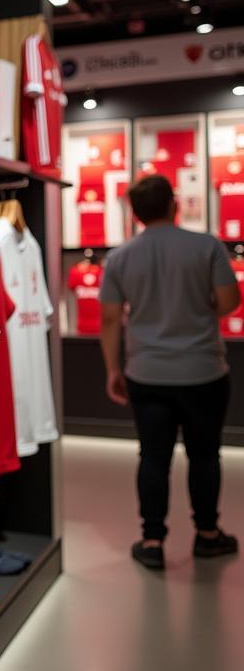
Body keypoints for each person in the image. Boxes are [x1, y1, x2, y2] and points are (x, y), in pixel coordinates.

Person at [99, 174, 240, 570]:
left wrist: (113, 369)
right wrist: (196, 308)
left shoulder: (120, 257)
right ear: (173, 205)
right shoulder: (206, 246)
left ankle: (153, 541)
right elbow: (230, 301)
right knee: (205, 455)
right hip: (205, 371)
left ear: (135, 213)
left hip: (146, 373)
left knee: (153, 457)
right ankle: (208, 536)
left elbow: (109, 320)